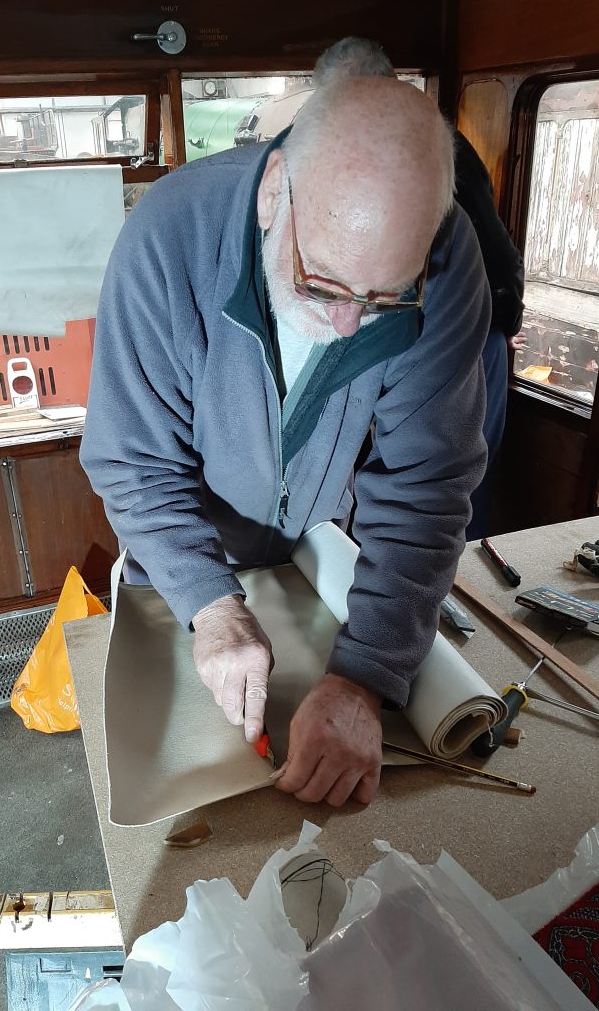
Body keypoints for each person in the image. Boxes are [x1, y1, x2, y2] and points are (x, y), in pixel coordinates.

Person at [80, 54, 490, 808]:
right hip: (179, 564)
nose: (345, 323)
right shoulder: (168, 236)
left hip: (312, 555)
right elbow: (136, 463)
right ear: (275, 194)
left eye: (383, 300)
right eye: (323, 282)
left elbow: (426, 487)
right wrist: (210, 603)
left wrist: (365, 677)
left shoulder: (449, 263)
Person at [314, 37, 525, 539]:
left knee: (452, 482)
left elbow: (495, 252)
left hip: (467, 337)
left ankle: (453, 597)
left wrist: (503, 321)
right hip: (404, 335)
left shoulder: (437, 148)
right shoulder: (350, 153)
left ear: (385, 87)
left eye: (351, 100)